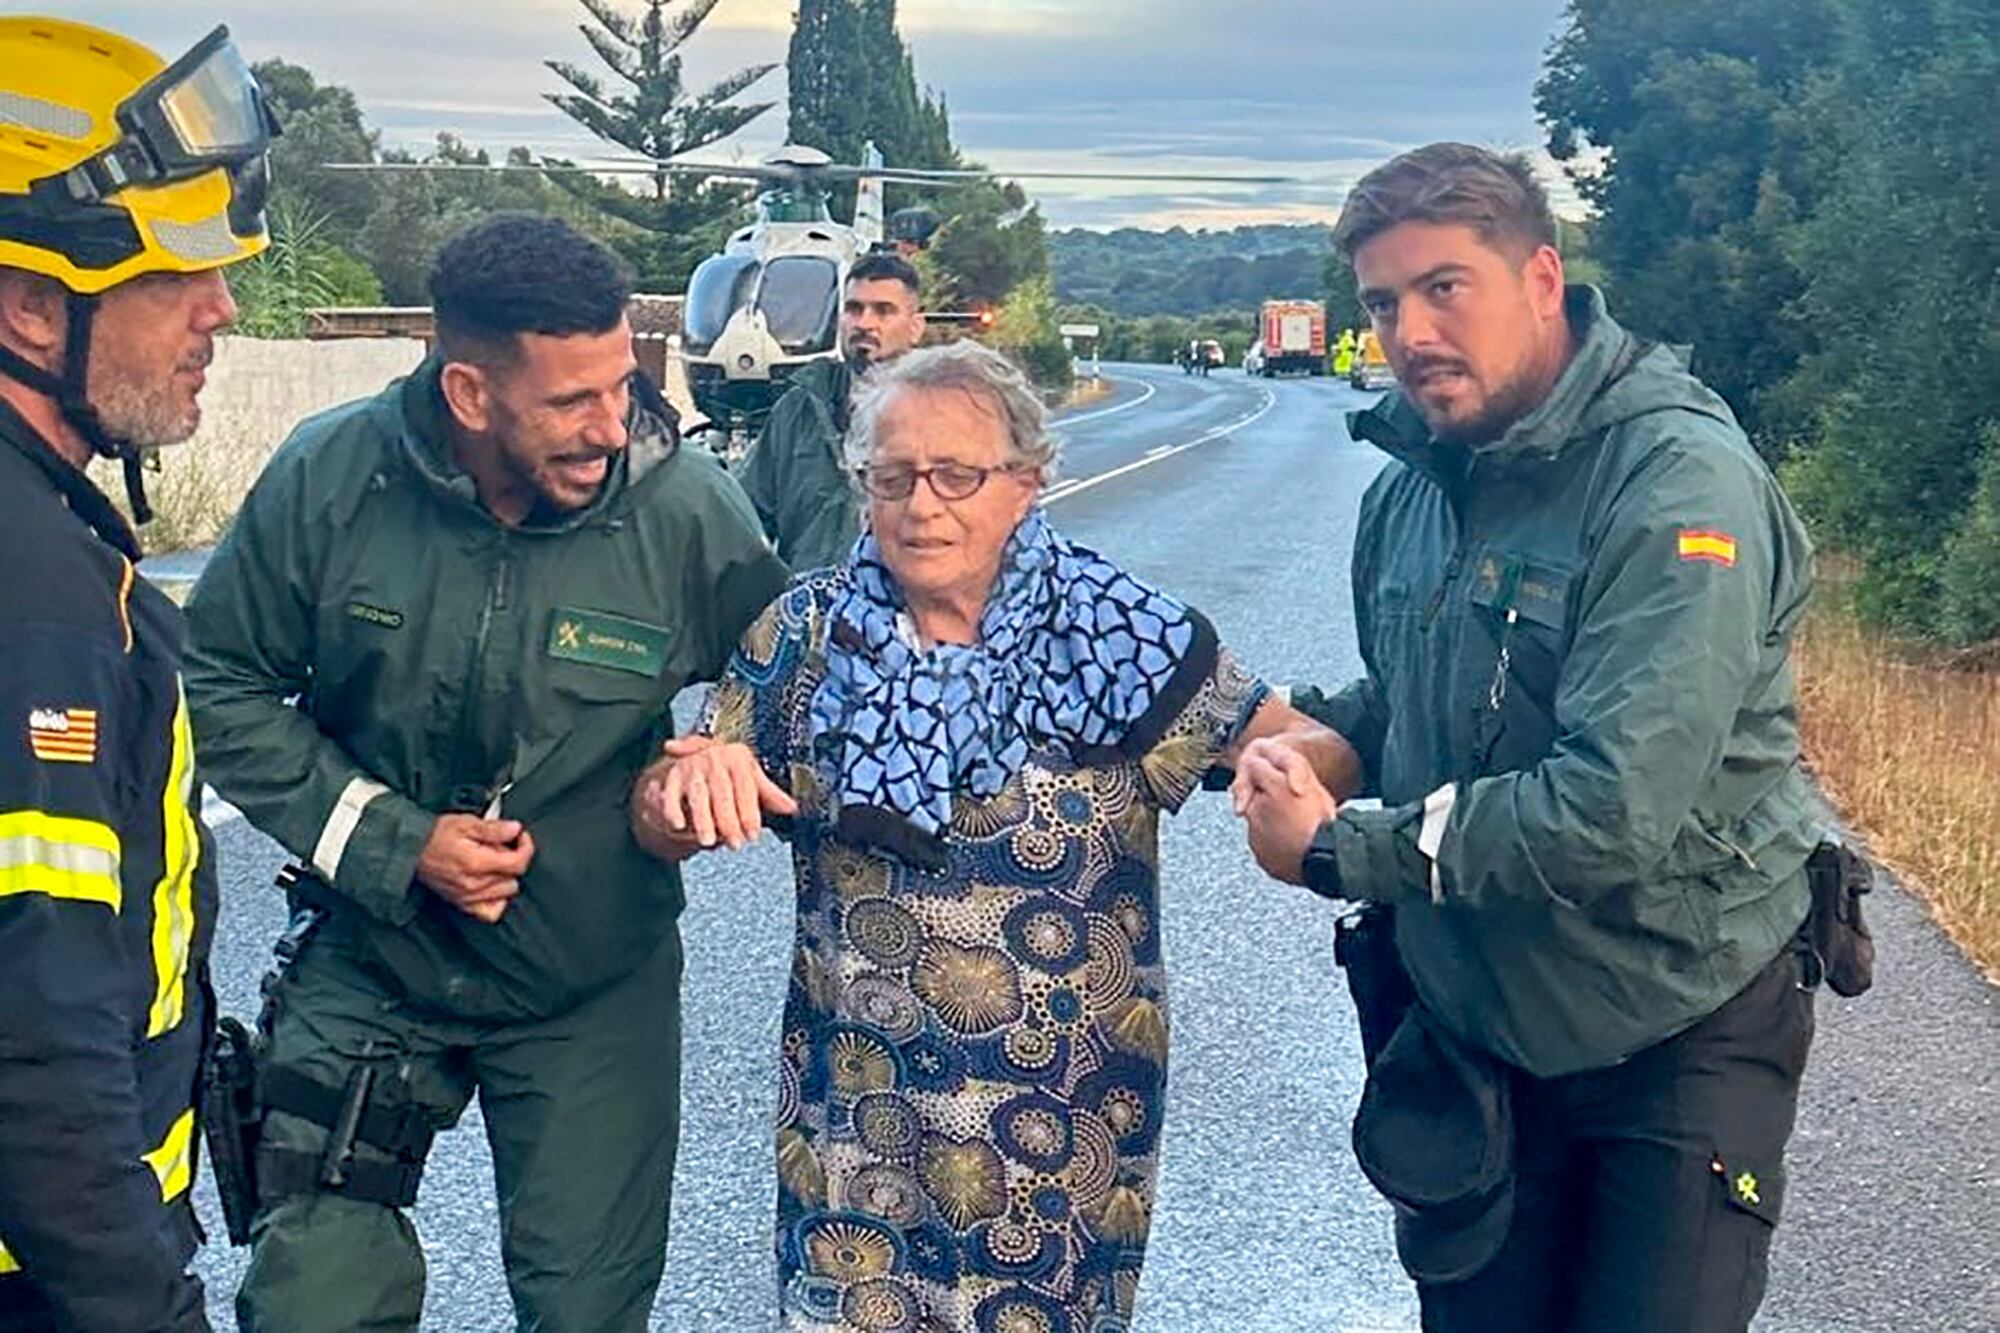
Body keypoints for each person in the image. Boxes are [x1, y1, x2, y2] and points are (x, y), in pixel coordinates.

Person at [632, 340, 1355, 1329]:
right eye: (892, 477)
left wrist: (1291, 772)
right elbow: (669, 814)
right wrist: (683, 781)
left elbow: (1311, 741)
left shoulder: (1114, 634)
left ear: (1024, 483)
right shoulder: (801, 640)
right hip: (858, 1132)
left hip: (1060, 1140)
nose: (922, 504)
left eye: (956, 475)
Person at [1234, 143, 1819, 1333]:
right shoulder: (1413, 484)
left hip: (1671, 1015)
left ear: (1541, 280)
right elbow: (1420, 691)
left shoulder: (1673, 483)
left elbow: (1613, 804)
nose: (1410, 331)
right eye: (1383, 302)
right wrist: (1327, 738)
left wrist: (1342, 850)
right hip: (1475, 1024)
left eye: (1445, 286)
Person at [183, 214, 788, 1333]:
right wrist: (394, 842)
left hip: (587, 980)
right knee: (313, 1301)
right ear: (468, 391)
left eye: (621, 385)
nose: (610, 427)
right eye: (571, 402)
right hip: (374, 956)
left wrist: (718, 748)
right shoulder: (329, 478)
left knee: (585, 1311)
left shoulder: (684, 509)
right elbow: (216, 683)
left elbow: (794, 681)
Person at [0, 18, 275, 1331]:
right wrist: (142, 1306)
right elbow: (34, 1027)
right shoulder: (34, 593)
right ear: (30, 305)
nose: (220, 308)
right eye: (175, 277)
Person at [736, 252, 928, 572]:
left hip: (900, 612)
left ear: (915, 327)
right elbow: (743, 518)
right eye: (854, 309)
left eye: (884, 311)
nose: (865, 323)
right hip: (806, 611)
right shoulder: (799, 409)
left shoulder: (943, 414)